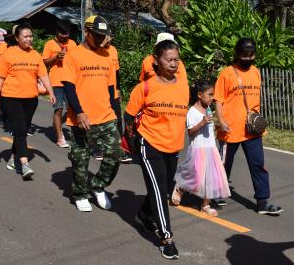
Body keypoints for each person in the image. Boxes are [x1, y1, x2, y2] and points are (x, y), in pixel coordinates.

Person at [124, 39, 189, 260]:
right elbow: (128, 118)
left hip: (173, 146)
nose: (174, 63)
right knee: (160, 192)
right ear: (156, 61)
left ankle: (143, 213)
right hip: (149, 144)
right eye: (168, 59)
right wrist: (134, 142)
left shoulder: (183, 83)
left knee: (163, 187)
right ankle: (166, 238)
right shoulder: (145, 87)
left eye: (176, 59)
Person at [214, 38, 282, 215]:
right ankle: (216, 193)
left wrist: (258, 120)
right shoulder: (227, 73)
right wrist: (221, 121)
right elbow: (218, 100)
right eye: (244, 55)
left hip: (252, 129)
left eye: (251, 54)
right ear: (237, 54)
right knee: (223, 164)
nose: (248, 58)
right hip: (230, 128)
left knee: (258, 164)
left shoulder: (256, 72)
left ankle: (262, 202)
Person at [62, 15, 121, 212]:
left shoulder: (107, 55)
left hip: (106, 116)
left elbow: (112, 88)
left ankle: (98, 185)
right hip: (82, 118)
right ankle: (80, 193)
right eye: (96, 35)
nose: (99, 39)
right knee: (80, 159)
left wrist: (115, 114)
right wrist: (78, 112)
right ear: (86, 32)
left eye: (102, 35)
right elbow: (69, 87)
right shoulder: (74, 54)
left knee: (114, 154)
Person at [0, 24, 55, 180]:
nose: (29, 39)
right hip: (11, 97)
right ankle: (25, 164)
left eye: (30, 36)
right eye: (25, 36)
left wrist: (51, 92)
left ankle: (13, 158)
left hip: (31, 99)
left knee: (23, 129)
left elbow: (43, 75)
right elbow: (0, 77)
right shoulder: (8, 54)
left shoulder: (35, 55)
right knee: (20, 129)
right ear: (17, 38)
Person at [171, 80, 230, 216]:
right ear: (199, 94)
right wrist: (202, 122)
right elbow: (191, 132)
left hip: (210, 148)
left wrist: (218, 126)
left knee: (211, 177)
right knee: (195, 175)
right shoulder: (192, 111)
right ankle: (180, 188)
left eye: (213, 95)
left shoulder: (208, 109)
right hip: (198, 149)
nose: (212, 98)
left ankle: (205, 204)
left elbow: (208, 128)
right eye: (209, 95)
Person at [96, 34, 132, 163]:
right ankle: (98, 148)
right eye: (105, 36)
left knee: (117, 120)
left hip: (113, 92)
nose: (108, 39)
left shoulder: (113, 50)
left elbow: (117, 72)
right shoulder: (94, 50)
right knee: (100, 121)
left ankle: (119, 150)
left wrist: (118, 90)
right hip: (98, 92)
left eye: (109, 36)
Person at [42, 21, 77, 148]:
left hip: (71, 81)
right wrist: (56, 57)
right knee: (58, 109)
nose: (65, 36)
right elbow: (45, 62)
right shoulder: (50, 44)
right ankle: (59, 137)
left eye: (67, 34)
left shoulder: (73, 43)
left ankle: (60, 123)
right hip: (56, 81)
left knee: (72, 109)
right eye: (62, 34)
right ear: (57, 32)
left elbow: (78, 61)